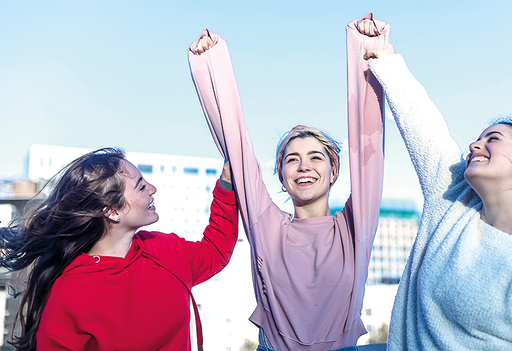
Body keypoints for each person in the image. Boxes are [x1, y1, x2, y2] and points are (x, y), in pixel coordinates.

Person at [363, 39, 512, 349]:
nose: (474, 145)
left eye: (492, 139)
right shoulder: (453, 203)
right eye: (478, 138)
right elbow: (425, 126)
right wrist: (387, 58)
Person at [187, 14, 388, 351]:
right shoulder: (267, 227)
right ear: (281, 175)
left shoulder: (355, 228)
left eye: (315, 157)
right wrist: (210, 65)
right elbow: (236, 147)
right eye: (292, 159)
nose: (303, 166)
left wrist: (366, 49)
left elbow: (370, 151)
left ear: (334, 170)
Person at [0, 148, 238, 351]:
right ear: (112, 211)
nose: (153, 189)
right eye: (141, 186)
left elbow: (215, 250)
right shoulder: (70, 292)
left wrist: (227, 185)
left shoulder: (165, 249)